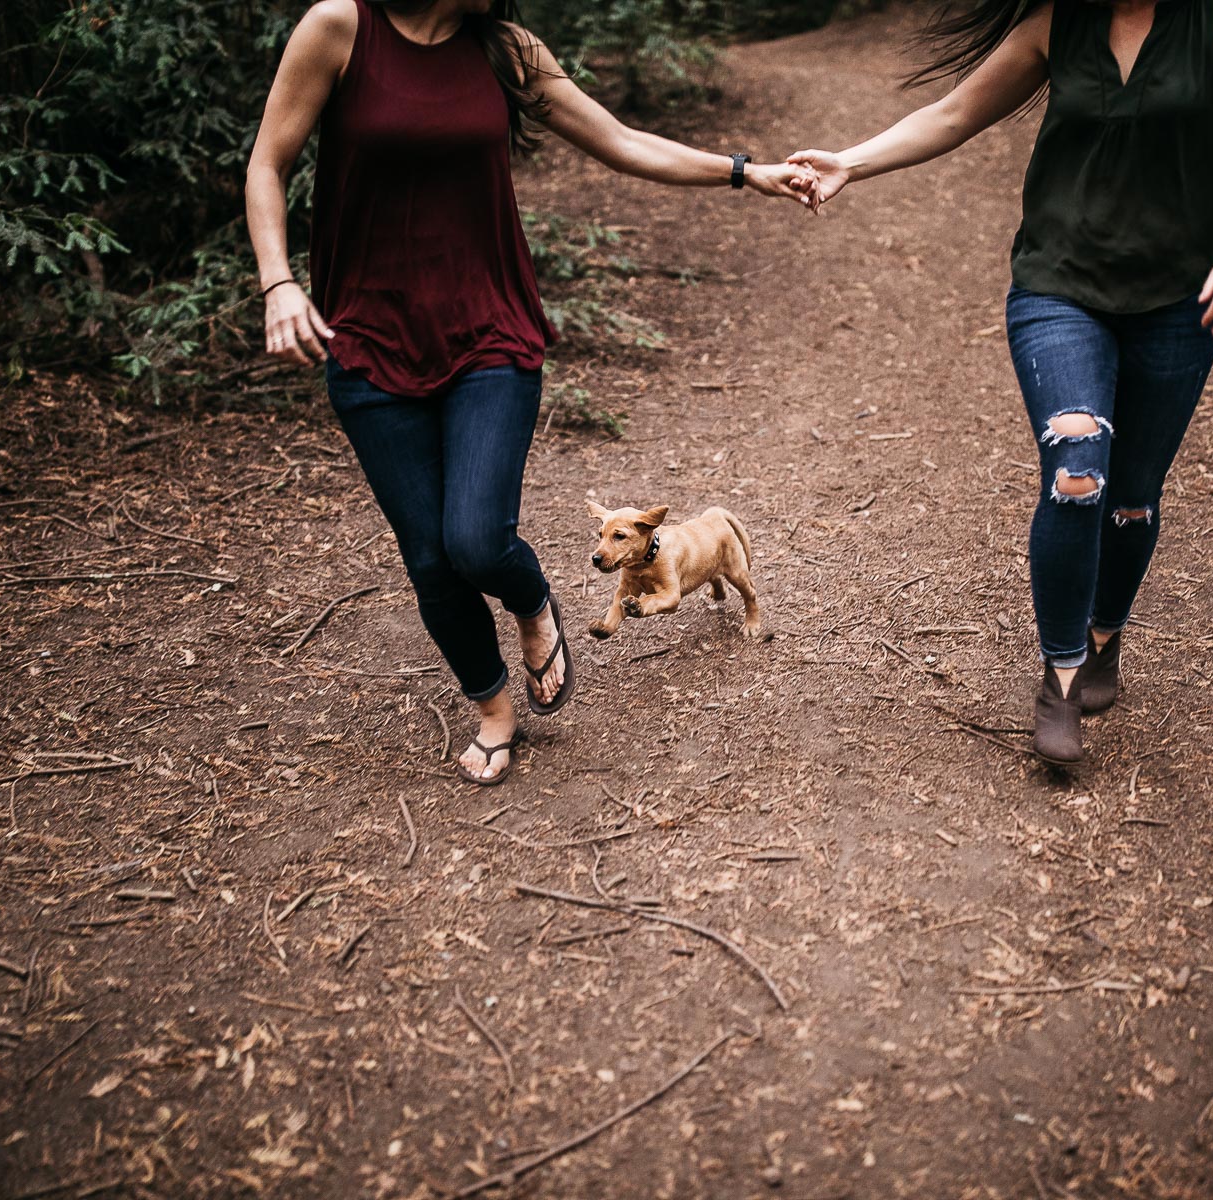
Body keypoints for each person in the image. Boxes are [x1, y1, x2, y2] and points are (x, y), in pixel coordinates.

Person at [246, 0, 811, 785]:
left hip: (491, 334)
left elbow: (618, 140)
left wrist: (748, 172)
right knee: (432, 563)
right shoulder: (340, 28)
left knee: (477, 540)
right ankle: (493, 708)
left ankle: (532, 600)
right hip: (368, 343)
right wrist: (278, 282)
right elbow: (266, 162)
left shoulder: (506, 50)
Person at [787, 0, 1213, 764]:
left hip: (1179, 299)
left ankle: (1102, 635)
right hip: (1059, 288)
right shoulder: (1060, 20)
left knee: (1131, 497)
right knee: (1078, 468)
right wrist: (849, 162)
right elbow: (956, 112)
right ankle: (1059, 677)